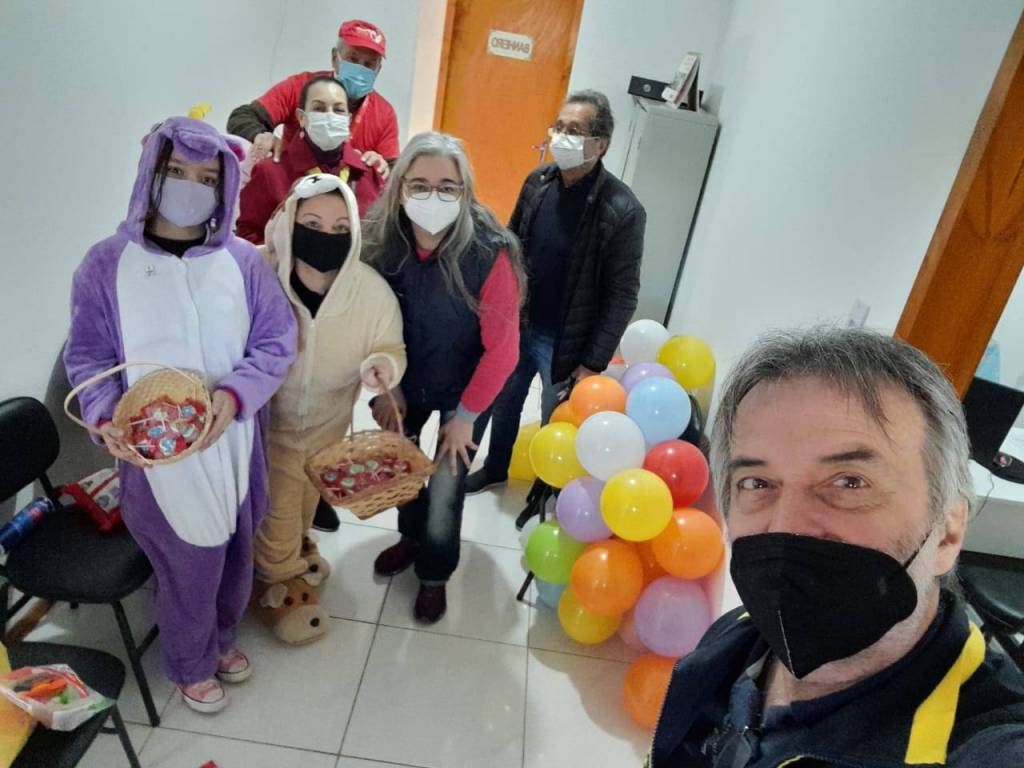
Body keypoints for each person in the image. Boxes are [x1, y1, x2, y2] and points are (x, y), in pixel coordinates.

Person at [648, 328, 1024, 767]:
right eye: (757, 483)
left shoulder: (984, 745)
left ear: (947, 532)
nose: (786, 526)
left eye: (849, 482)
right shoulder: (737, 637)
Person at [64, 117, 297, 713]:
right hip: (158, 457)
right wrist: (104, 415)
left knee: (235, 552)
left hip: (234, 442)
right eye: (176, 172)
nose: (191, 187)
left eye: (206, 178)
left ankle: (222, 639)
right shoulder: (106, 264)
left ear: (225, 188)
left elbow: (275, 341)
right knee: (186, 566)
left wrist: (235, 395)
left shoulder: (243, 263)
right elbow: (89, 356)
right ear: (151, 173)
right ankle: (190, 663)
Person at [363, 132, 524, 623]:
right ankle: (410, 539)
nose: (432, 197)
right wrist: (386, 389)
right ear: (399, 187)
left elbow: (504, 351)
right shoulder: (380, 241)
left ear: (465, 192)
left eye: (447, 187)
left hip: (468, 384)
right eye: (419, 184)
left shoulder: (490, 253)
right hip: (406, 376)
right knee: (403, 468)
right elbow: (366, 323)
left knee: (446, 487)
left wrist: (467, 417)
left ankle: (434, 574)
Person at [466, 90, 646, 497]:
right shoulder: (538, 182)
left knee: (557, 417)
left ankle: (546, 489)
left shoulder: (623, 210)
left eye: (575, 131)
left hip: (566, 340)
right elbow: (510, 245)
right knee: (504, 400)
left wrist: (593, 362)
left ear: (601, 145)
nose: (561, 138)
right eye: (559, 127)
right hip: (520, 323)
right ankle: (495, 468)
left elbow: (622, 294)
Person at [252, 173, 405, 644]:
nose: (326, 236)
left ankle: (298, 548)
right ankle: (278, 581)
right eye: (313, 223)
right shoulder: (259, 274)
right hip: (271, 426)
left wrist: (382, 367)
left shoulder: (370, 291)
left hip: (328, 423)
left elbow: (390, 346)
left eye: (341, 228)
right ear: (290, 222)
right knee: (277, 506)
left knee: (307, 497)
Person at [227, 19, 396, 179]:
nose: (360, 70)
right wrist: (260, 135)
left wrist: (383, 168)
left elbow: (396, 173)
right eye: (353, 59)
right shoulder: (301, 87)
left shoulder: (384, 114)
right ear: (334, 58)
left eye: (369, 65)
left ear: (378, 70)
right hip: (288, 186)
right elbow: (242, 117)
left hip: (346, 194)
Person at [236, 76, 385, 244]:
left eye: (338, 110)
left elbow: (380, 239)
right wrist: (282, 255)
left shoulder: (369, 174)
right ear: (302, 117)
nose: (330, 116)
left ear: (348, 119)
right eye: (319, 108)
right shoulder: (270, 172)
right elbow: (248, 237)